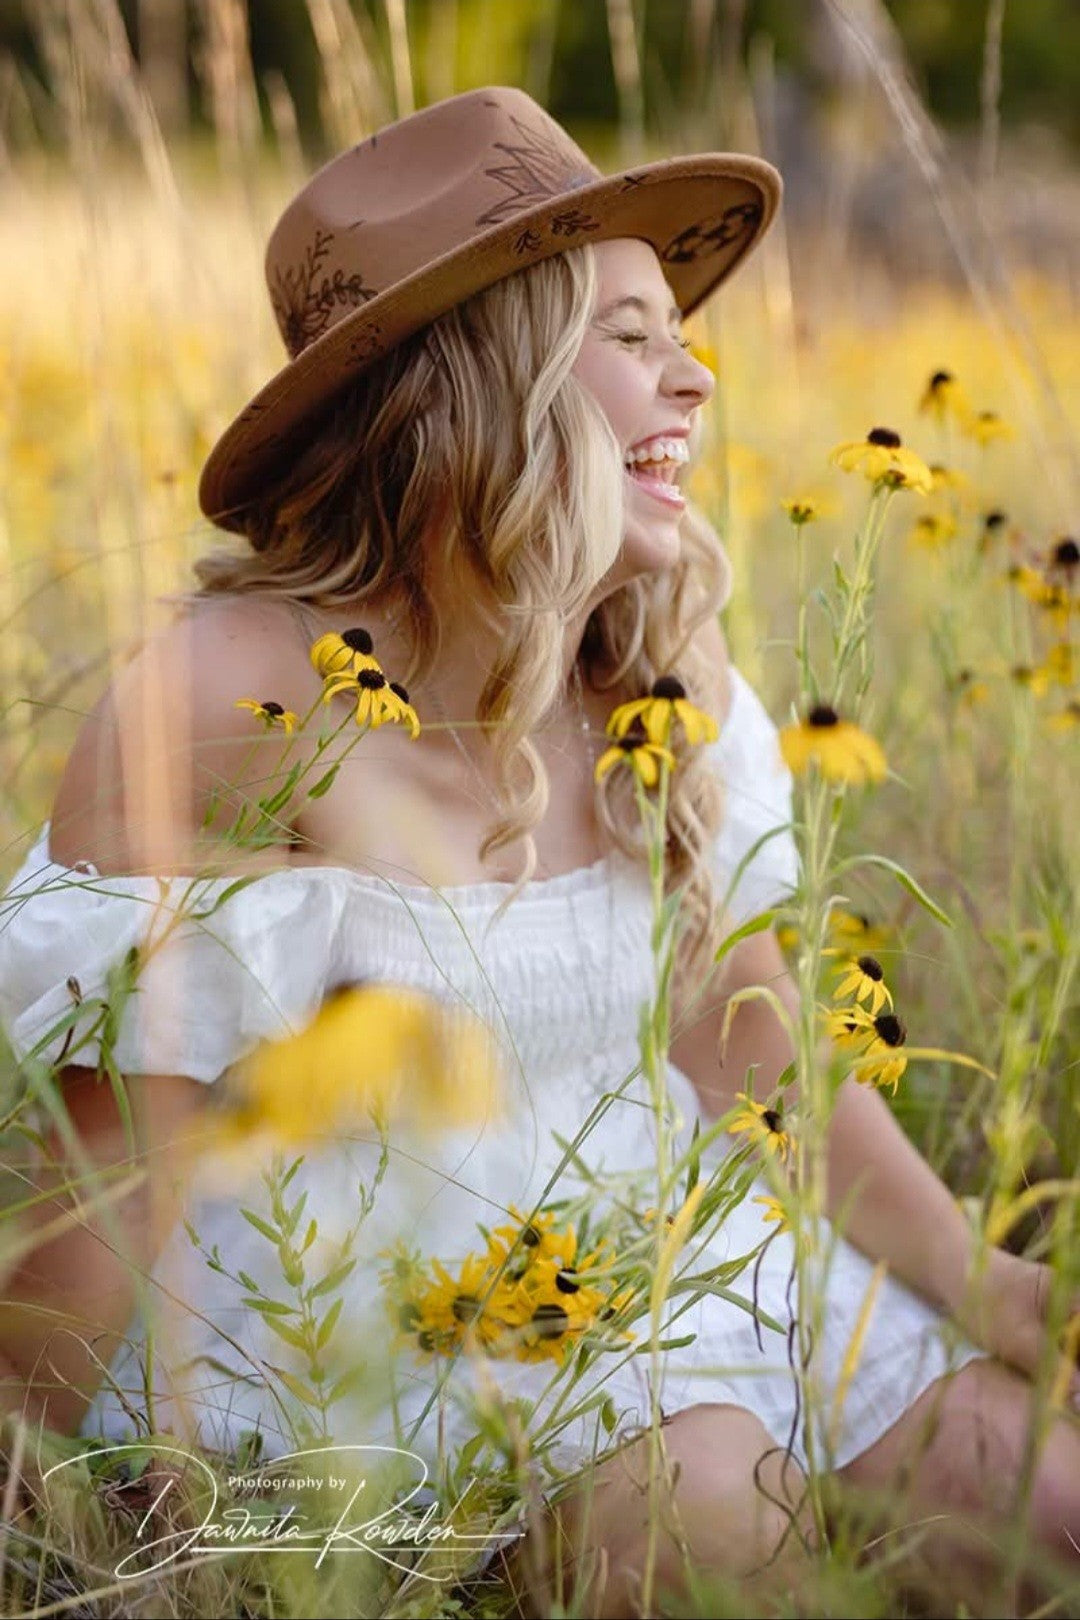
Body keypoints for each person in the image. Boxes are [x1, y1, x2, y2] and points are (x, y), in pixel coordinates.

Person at [0, 86, 1077, 1617]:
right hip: (384, 1354)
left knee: (1050, 1507)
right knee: (721, 1514)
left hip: (672, 1261)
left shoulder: (662, 665)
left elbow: (747, 1048)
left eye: (681, 335)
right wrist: (72, 1531)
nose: (693, 378)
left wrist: (986, 1284)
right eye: (631, 338)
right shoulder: (226, 704)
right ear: (477, 379)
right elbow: (108, 1198)